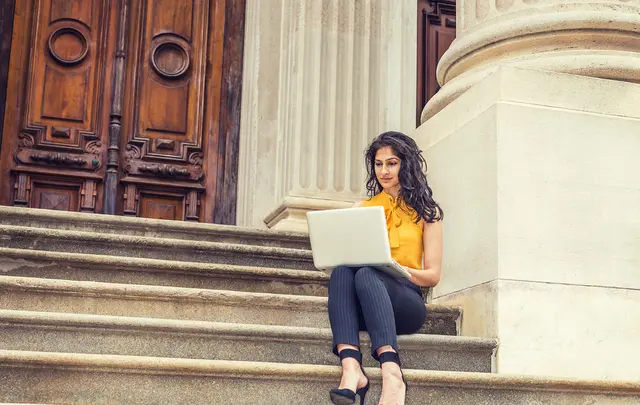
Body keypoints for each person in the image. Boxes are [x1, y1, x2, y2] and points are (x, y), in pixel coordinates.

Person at [328, 131, 443, 405]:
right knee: (343, 270)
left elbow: (433, 276)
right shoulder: (364, 209)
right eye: (379, 164)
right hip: (366, 304)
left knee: (370, 272)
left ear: (407, 164)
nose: (384, 171)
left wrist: (397, 269)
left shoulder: (427, 213)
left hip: (405, 303)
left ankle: (392, 373)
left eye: (391, 163)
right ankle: (351, 368)